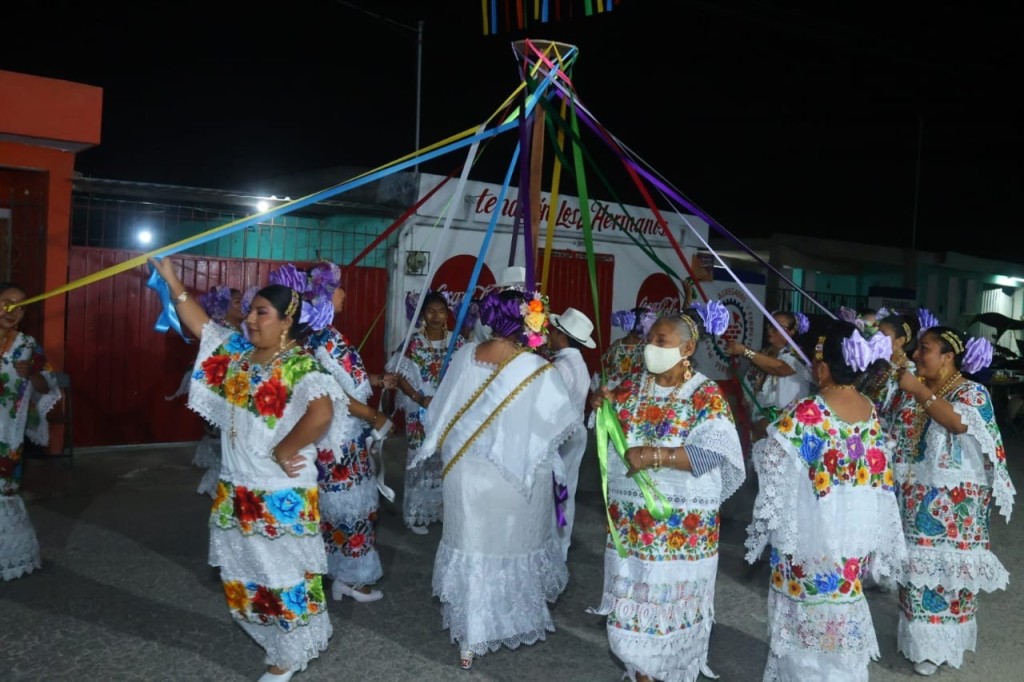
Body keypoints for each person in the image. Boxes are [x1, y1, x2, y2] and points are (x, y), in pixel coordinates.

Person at [150, 258, 343, 682]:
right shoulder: (238, 356)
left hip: (279, 489)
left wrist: (284, 449)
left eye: (262, 313)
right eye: (251, 310)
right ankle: (281, 639)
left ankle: (289, 652)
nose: (251, 319)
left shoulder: (301, 365)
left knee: (281, 576)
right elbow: (201, 326)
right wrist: (170, 279)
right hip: (237, 486)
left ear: (286, 322)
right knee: (242, 575)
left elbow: (322, 413)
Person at [416, 288, 578, 670]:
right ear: (525, 320)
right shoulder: (536, 368)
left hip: (464, 476)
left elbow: (440, 410)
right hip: (513, 479)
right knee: (508, 548)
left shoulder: (463, 355)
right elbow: (558, 425)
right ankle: (513, 617)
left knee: (473, 550)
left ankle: (470, 639)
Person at [745, 320, 907, 681]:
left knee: (805, 619)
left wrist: (764, 436)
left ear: (821, 366)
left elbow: (772, 463)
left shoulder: (810, 412)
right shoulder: (869, 409)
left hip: (811, 536)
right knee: (839, 613)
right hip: (852, 538)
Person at [589, 313, 745, 682]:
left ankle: (661, 672)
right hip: (633, 524)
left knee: (669, 605)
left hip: (680, 531)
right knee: (635, 603)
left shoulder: (706, 394)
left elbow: (712, 454)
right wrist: (600, 406)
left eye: (660, 341)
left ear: (687, 348)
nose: (650, 348)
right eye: (650, 340)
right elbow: (609, 433)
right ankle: (642, 669)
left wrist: (655, 456)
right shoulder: (629, 385)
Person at [890, 326, 1015, 676]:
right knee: (917, 574)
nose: (916, 354)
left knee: (950, 578)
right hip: (915, 500)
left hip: (957, 506)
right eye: (917, 348)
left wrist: (920, 393)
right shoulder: (909, 390)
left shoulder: (972, 392)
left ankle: (946, 644)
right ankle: (921, 644)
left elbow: (958, 423)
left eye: (925, 349)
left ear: (948, 356)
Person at [270, 262, 392, 604]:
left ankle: (341, 575)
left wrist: (376, 382)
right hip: (334, 440)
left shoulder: (327, 336)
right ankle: (351, 579)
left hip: (348, 437)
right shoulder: (315, 340)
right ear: (323, 295)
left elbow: (345, 382)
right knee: (345, 508)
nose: (344, 294)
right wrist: (372, 414)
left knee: (347, 507)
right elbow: (331, 394)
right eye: (338, 288)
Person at [387, 289, 466, 535]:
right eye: (430, 311)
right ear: (422, 314)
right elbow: (397, 374)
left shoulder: (458, 341)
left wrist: (446, 398)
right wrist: (419, 398)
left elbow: (465, 375)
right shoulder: (412, 342)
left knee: (446, 460)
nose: (435, 316)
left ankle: (441, 510)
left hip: (447, 409)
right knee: (421, 458)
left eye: (441, 311)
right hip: (419, 408)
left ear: (447, 315)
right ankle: (416, 515)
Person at [0, 283, 60, 581]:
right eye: (6, 302)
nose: (12, 310)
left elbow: (46, 387)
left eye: (20, 305)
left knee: (5, 489)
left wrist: (32, 374)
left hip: (7, 433)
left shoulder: (27, 345)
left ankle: (10, 557)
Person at [547, 306, 596, 560]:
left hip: (560, 436)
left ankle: (555, 543)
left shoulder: (560, 366)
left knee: (556, 489)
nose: (549, 336)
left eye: (552, 332)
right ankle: (562, 541)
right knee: (566, 490)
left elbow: (550, 406)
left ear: (562, 336)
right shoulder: (577, 362)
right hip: (575, 432)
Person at [190, 285, 246, 497]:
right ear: (224, 305)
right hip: (223, 393)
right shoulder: (222, 329)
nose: (243, 307)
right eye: (237, 302)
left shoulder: (241, 327)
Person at [727, 310, 813, 445]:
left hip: (787, 426)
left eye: (776, 327)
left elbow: (779, 368)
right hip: (761, 424)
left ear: (791, 332)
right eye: (769, 325)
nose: (770, 330)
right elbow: (751, 387)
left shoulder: (798, 355)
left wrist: (745, 351)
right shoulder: (765, 353)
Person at [858, 312, 920, 431]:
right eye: (876, 334)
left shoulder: (909, 373)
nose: (876, 339)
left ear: (899, 341)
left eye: (883, 335)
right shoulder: (874, 364)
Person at [593, 305, 656, 392]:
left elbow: (601, 370)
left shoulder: (617, 345)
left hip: (611, 392)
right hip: (632, 395)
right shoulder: (647, 348)